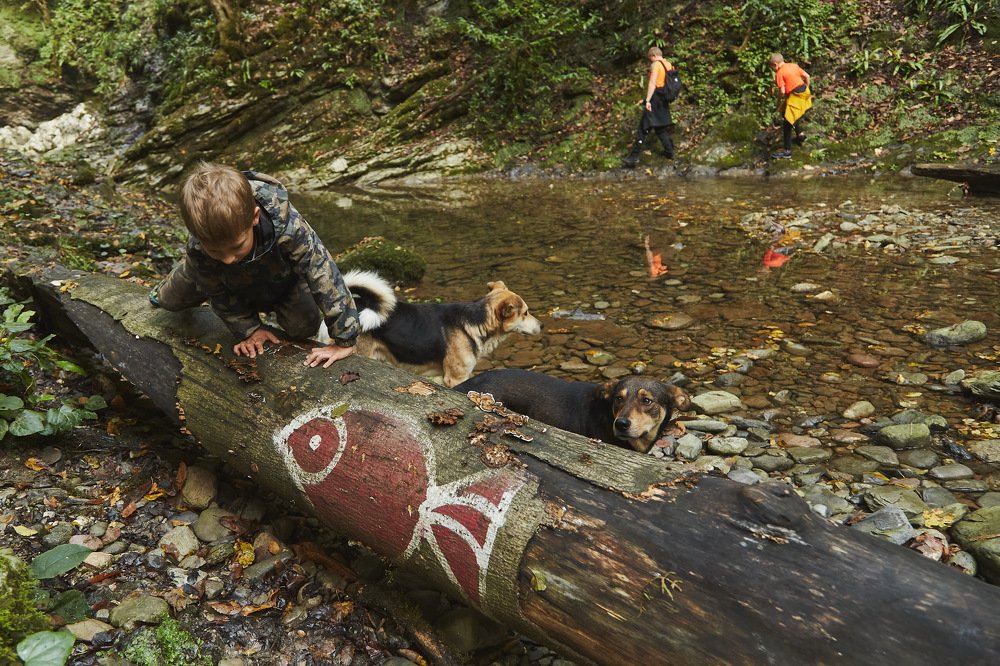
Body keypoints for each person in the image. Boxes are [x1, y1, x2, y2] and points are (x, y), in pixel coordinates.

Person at [150, 162, 359, 368]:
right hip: (212, 273)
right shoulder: (199, 248)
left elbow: (322, 272)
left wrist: (344, 339)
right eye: (215, 250)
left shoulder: (289, 226)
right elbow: (216, 293)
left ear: (255, 217)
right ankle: (170, 284)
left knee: (303, 327)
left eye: (236, 246)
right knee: (168, 300)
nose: (228, 258)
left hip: (280, 278)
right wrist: (250, 329)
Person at [622, 46, 676, 168]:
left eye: (650, 58)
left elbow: (652, 83)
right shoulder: (669, 64)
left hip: (655, 98)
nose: (650, 61)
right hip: (664, 99)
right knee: (660, 127)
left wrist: (647, 100)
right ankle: (670, 152)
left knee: (643, 127)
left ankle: (633, 158)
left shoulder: (656, 65)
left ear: (653, 56)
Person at [768, 53, 812, 159]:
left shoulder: (779, 73)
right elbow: (807, 76)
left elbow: (782, 91)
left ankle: (787, 151)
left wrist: (778, 99)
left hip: (795, 96)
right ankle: (800, 134)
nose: (773, 70)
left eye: (772, 67)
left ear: (775, 64)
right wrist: (807, 86)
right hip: (804, 92)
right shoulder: (793, 65)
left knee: (787, 122)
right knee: (785, 111)